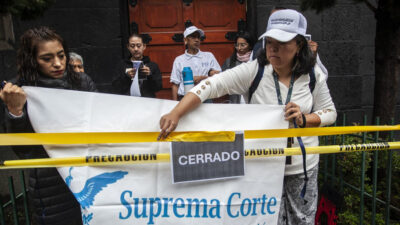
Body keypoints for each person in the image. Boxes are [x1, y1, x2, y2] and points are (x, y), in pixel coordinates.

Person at [158, 9, 337, 225]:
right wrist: (177, 112)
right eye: (269, 41)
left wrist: (305, 119)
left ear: (299, 44)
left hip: (303, 167)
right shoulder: (255, 71)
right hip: (265, 164)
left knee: (303, 221)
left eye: (282, 42)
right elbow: (211, 85)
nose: (273, 48)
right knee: (270, 220)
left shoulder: (313, 75)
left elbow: (330, 112)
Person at [0, 27, 97, 225]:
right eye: (47, 58)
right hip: (49, 185)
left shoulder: (81, 82)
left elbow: (100, 123)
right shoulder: (17, 91)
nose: (58, 63)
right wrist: (15, 112)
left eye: (61, 55)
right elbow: (22, 150)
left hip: (88, 176)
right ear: (31, 59)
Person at [170, 25, 221, 101]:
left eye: (198, 37)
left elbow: (219, 77)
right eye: (193, 37)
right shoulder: (179, 60)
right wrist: (174, 103)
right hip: (185, 98)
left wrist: (203, 77)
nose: (197, 40)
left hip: (205, 97)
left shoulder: (208, 56)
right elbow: (175, 84)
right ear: (185, 40)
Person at [112, 33, 162, 98]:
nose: (135, 49)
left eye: (138, 46)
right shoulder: (122, 65)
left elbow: (158, 88)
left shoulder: (152, 66)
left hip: (147, 101)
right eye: (132, 46)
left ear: (144, 46)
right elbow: (115, 88)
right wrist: (126, 76)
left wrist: (150, 75)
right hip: (127, 101)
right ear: (128, 47)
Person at [222, 31, 254, 103]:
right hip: (235, 100)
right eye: (237, 45)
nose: (239, 48)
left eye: (243, 45)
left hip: (253, 101)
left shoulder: (255, 61)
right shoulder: (230, 61)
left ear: (250, 45)